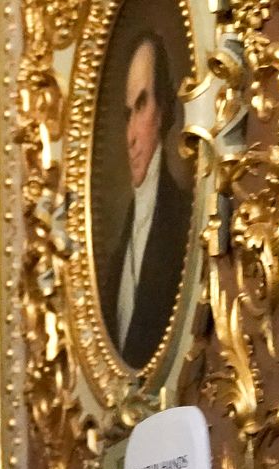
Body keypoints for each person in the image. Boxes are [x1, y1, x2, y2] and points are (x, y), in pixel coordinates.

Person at [98, 29, 194, 370]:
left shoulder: (184, 222)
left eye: (141, 106)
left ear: (163, 110)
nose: (131, 136)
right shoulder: (116, 255)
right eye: (128, 114)